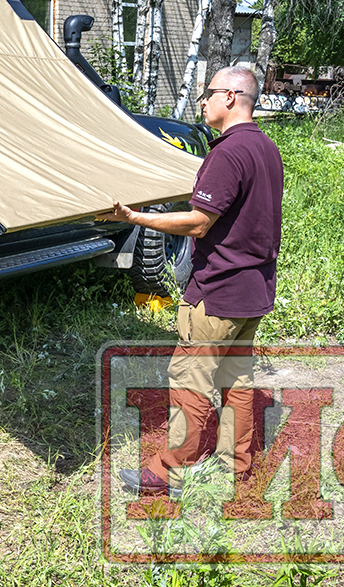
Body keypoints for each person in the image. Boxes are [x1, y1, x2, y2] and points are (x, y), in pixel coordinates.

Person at [101, 66, 284, 497]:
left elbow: (199, 222)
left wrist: (134, 217)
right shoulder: (266, 148)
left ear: (230, 97)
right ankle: (236, 466)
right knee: (237, 380)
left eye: (209, 93)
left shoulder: (229, 152)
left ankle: (171, 472)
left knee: (189, 381)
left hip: (218, 292)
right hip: (253, 290)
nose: (202, 102)